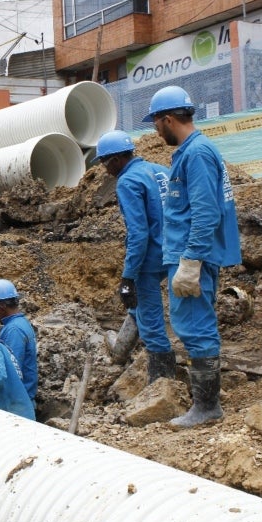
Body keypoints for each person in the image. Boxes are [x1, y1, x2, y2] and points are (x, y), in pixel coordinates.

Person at [143, 85, 242, 428]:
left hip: (192, 256)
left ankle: (207, 407)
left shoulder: (197, 154)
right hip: (186, 254)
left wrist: (191, 261)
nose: (155, 131)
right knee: (192, 324)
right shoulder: (190, 152)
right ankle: (205, 403)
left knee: (195, 326)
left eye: (156, 123)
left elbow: (205, 212)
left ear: (169, 119)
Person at [92, 130, 175, 383]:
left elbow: (139, 234)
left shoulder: (127, 182)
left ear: (115, 160)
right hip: (175, 251)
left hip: (150, 259)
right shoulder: (162, 170)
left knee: (151, 322)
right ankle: (120, 351)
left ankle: (162, 383)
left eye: (105, 164)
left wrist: (128, 277)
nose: (106, 170)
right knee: (173, 314)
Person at [0, 279, 38, 401]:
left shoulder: (14, 330)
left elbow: (11, 370)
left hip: (17, 401)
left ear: (2, 308)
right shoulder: (19, 323)